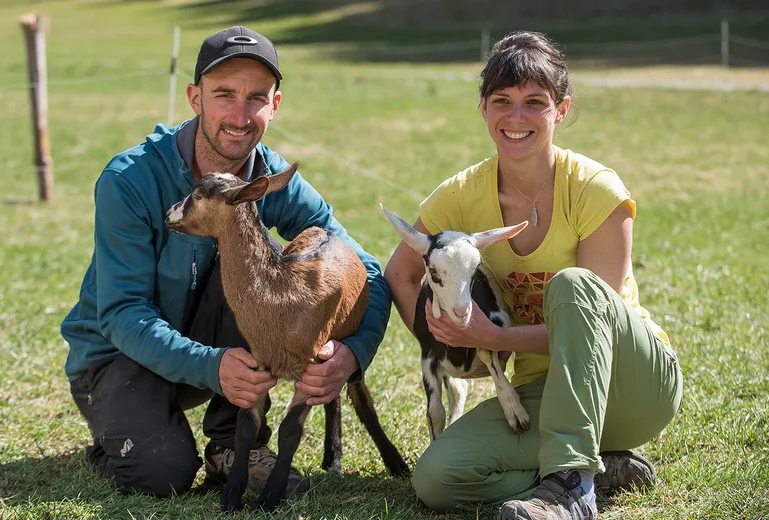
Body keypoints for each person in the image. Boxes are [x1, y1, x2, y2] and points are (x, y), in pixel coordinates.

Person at [61, 26, 391, 498]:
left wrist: (353, 353)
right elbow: (121, 313)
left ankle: (231, 444)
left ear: (275, 105)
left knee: (262, 271)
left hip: (216, 358)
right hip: (120, 357)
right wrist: (213, 367)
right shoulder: (129, 180)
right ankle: (116, 436)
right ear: (195, 98)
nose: (240, 115)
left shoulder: (268, 177)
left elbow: (366, 269)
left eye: (256, 97)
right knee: (163, 476)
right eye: (223, 95)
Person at [384, 31, 682, 520]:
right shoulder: (459, 194)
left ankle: (570, 490)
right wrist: (451, 345)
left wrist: (494, 335)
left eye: (535, 102)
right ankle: (603, 468)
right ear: (483, 107)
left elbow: (593, 322)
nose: (516, 117)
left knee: (574, 286)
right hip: (544, 392)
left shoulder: (596, 189)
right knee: (436, 479)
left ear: (560, 111)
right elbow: (400, 273)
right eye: (502, 100)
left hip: (633, 385)